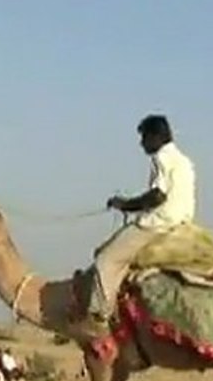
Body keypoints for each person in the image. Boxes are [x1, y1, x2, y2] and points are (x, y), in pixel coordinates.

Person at [80, 114, 196, 334]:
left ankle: (99, 317)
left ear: (155, 137)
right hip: (181, 222)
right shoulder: (184, 161)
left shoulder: (161, 158)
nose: (141, 143)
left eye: (144, 137)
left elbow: (158, 196)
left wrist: (125, 204)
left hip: (158, 223)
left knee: (105, 259)